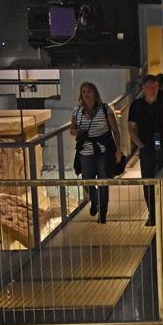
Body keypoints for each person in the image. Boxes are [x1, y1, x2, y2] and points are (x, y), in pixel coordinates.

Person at [127, 74, 163, 227]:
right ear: (143, 88)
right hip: (147, 147)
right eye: (149, 88)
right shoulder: (136, 105)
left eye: (155, 87)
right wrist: (141, 146)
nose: (152, 90)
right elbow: (131, 128)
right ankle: (152, 212)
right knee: (148, 180)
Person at [70, 82, 122, 224]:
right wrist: (78, 133)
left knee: (103, 180)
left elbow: (115, 131)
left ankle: (103, 214)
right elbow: (72, 129)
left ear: (95, 94)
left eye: (89, 91)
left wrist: (118, 148)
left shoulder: (105, 110)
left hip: (103, 152)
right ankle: (95, 200)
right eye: (84, 92)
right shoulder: (77, 112)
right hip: (85, 152)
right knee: (87, 181)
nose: (86, 94)